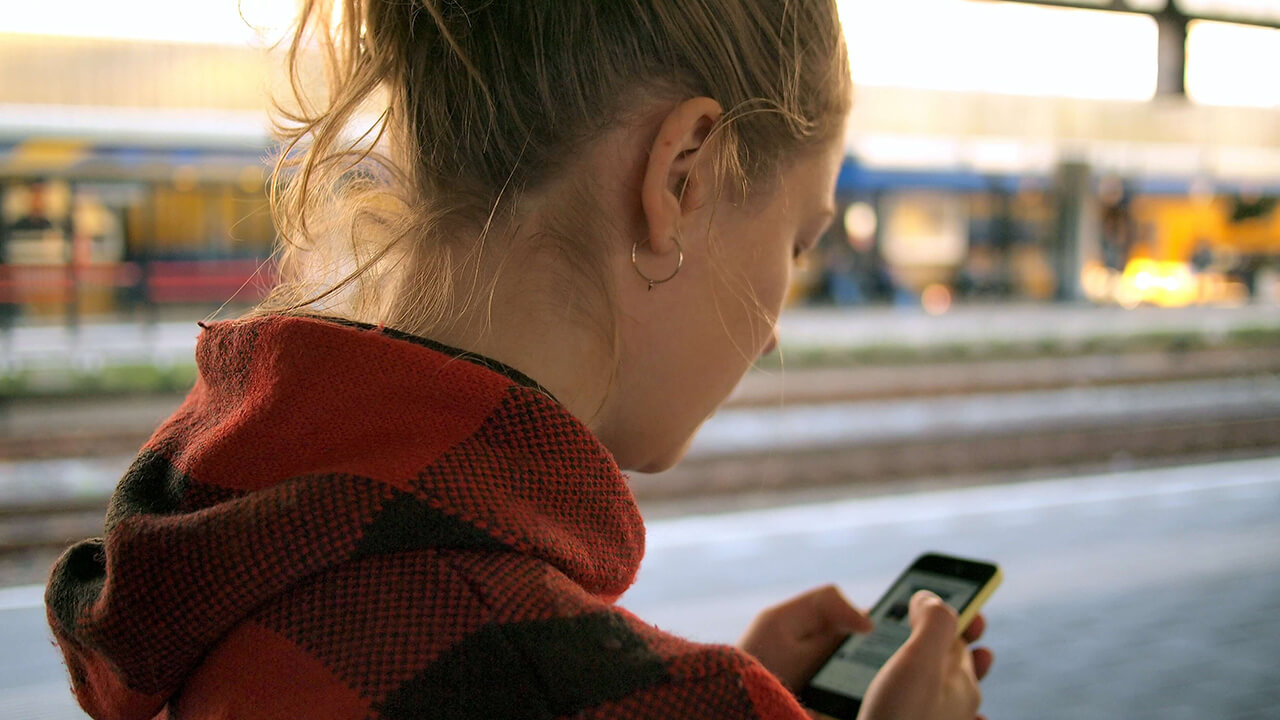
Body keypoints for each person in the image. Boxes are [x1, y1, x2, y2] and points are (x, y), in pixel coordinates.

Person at [45, 2, 993, 718]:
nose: (776, 323)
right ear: (683, 175)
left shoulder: (221, 546)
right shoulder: (572, 680)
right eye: (796, 240)